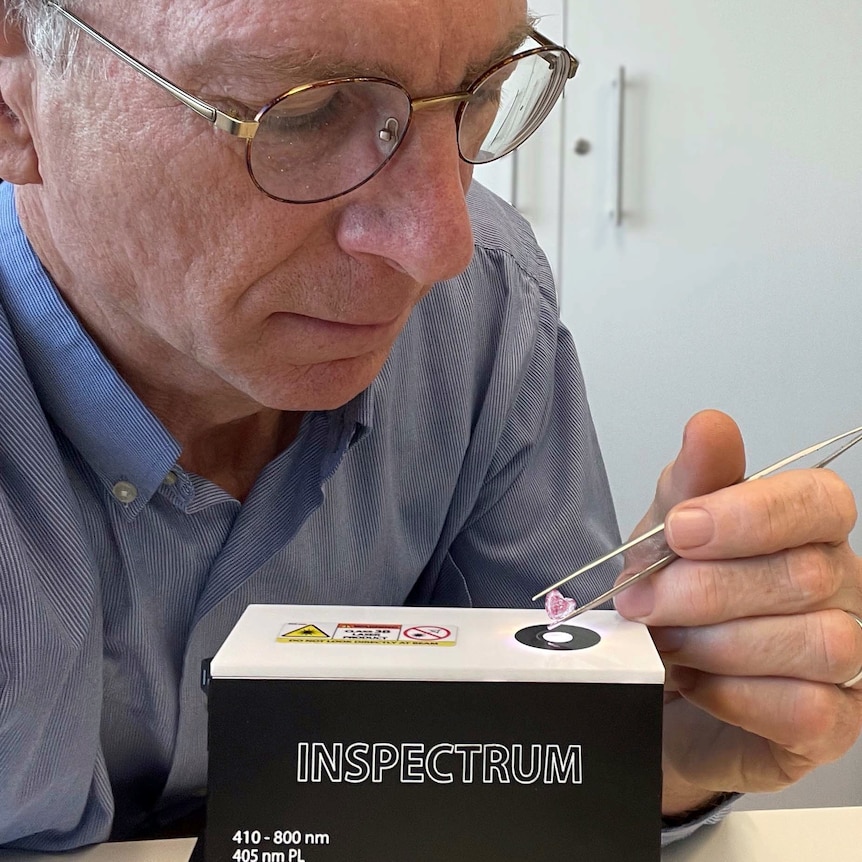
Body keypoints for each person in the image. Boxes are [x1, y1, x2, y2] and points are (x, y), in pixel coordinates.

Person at [1, 0, 861, 852]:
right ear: (15, 96)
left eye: (481, 91)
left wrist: (642, 752)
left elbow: (527, 744)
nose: (440, 242)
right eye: (305, 110)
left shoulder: (480, 316)